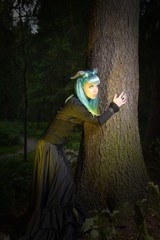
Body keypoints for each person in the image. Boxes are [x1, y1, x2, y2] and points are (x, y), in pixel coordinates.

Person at [19, 69, 127, 240]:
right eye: (90, 86)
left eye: (96, 86)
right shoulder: (75, 105)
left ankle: (62, 223)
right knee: (63, 186)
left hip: (54, 147)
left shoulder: (77, 102)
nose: (95, 90)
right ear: (81, 88)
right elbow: (99, 122)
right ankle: (53, 228)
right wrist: (114, 106)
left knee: (65, 184)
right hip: (48, 147)